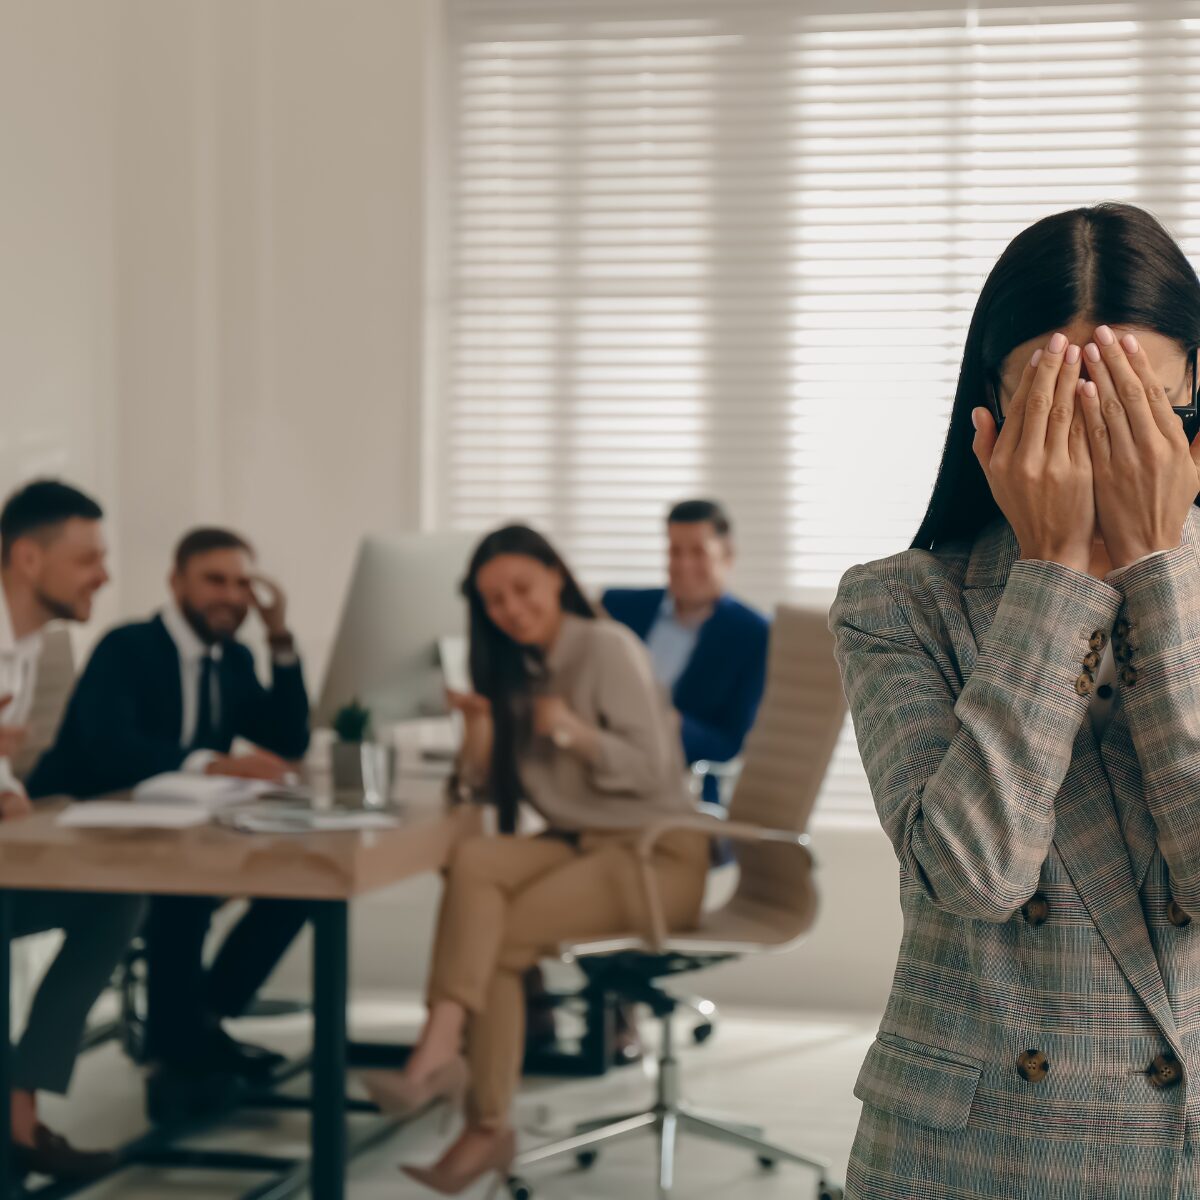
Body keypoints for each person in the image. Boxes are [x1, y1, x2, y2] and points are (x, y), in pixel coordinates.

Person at [830, 202, 1200, 1199]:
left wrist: (1158, 568)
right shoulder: (894, 602)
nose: (1096, 445)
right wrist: (1055, 572)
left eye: (1132, 408)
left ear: (1193, 400)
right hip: (972, 1156)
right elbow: (975, 874)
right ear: (991, 416)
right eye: (1061, 410)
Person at [362, 525, 710, 1195]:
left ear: (556, 575)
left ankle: (460, 1094)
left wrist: (571, 731)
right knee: (474, 860)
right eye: (493, 600)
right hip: (586, 845)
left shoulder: (605, 647)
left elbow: (652, 774)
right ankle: (448, 1068)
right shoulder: (520, 666)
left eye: (521, 589)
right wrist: (480, 731)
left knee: (498, 940)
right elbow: (486, 792)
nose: (510, 609)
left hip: (656, 856)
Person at [28, 526, 311, 1119]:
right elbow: (107, 747)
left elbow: (288, 738)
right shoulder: (127, 646)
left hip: (172, 832)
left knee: (303, 878)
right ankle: (179, 1055)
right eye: (214, 580)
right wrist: (210, 763)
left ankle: (196, 1024)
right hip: (81, 830)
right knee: (183, 892)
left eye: (241, 584)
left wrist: (279, 636)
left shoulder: (231, 657)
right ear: (176, 581)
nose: (230, 596)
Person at [0, 480, 146, 1181]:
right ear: (27, 558)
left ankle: (18, 1106)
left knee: (117, 892)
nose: (105, 575)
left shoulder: (28, 650)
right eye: (88, 557)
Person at [603, 499, 769, 795]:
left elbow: (731, 743)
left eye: (697, 552)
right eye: (674, 551)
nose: (683, 565)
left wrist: (672, 724)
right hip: (601, 760)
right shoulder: (618, 608)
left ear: (727, 555)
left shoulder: (753, 634)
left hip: (678, 783)